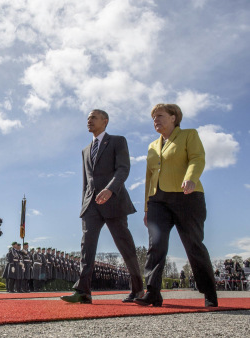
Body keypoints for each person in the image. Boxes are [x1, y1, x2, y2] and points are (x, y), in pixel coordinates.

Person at [135, 103, 218, 308]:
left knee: (193, 244)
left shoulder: (189, 135)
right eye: (153, 117)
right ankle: (153, 292)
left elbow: (197, 158)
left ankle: (209, 292)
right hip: (157, 200)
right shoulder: (152, 146)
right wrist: (146, 207)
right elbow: (149, 177)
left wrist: (191, 178)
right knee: (156, 246)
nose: (156, 120)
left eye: (160, 115)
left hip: (187, 197)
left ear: (174, 117)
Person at [61, 109, 143, 305]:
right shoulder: (85, 150)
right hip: (91, 205)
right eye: (88, 118)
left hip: (113, 200)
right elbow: (86, 181)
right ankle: (83, 291)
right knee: (86, 247)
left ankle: (138, 289)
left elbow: (123, 169)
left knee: (125, 246)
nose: (89, 121)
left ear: (105, 121)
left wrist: (109, 189)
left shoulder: (117, 141)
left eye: (93, 118)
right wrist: (84, 206)